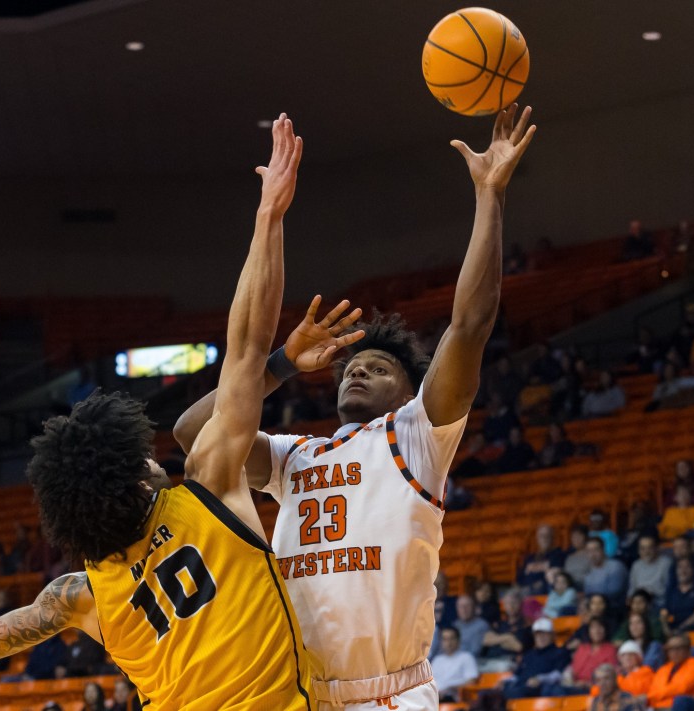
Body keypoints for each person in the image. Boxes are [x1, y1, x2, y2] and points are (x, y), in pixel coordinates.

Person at [0, 115, 316, 710]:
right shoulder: (208, 490)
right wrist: (268, 216)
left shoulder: (79, 594)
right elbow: (244, 348)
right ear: (134, 473)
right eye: (143, 452)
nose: (153, 453)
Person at [174, 105, 538, 710]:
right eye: (350, 368)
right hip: (301, 697)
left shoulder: (417, 434)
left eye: (378, 367)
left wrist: (490, 195)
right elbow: (193, 431)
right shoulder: (297, 457)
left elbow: (471, 323)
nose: (358, 370)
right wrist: (281, 364)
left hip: (392, 695)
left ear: (408, 389)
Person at [502, 617, 571, 699]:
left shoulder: (560, 652)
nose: (541, 637)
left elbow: (559, 674)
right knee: (488, 694)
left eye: (544, 634)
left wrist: (540, 679)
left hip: (540, 689)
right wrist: (504, 681)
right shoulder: (528, 655)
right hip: (521, 686)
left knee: (513, 693)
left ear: (552, 635)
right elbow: (516, 675)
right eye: (538, 634)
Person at [640, 635, 694, 709]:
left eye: (679, 648)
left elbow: (681, 688)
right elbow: (654, 690)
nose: (674, 652)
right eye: (671, 649)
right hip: (656, 707)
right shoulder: (663, 669)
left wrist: (650, 696)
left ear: (688, 650)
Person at [662, 558, 694, 635]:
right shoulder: (671, 591)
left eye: (687, 567)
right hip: (673, 631)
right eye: (680, 567)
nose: (683, 571)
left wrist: (680, 629)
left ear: (693, 570)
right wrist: (667, 631)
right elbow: (664, 614)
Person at [566, 618, 618, 693]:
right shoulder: (582, 648)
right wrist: (574, 683)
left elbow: (609, 675)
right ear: (589, 631)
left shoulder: (610, 649)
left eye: (600, 627)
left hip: (597, 688)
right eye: (593, 627)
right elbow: (574, 671)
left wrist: (588, 684)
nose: (597, 631)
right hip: (576, 686)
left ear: (605, 630)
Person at [430, 627, 478, 703]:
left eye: (452, 638)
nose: (449, 642)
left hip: (455, 697)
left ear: (458, 640)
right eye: (445, 639)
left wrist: (451, 689)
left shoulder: (467, 657)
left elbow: (471, 682)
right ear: (441, 642)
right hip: (435, 697)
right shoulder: (437, 660)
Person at [518, 524, 566, 595]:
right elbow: (520, 577)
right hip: (525, 588)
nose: (544, 539)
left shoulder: (558, 555)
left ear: (552, 538)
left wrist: (541, 582)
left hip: (543, 589)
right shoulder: (530, 558)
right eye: (541, 536)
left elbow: (556, 576)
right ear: (537, 538)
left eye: (547, 536)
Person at [629, 536, 672, 607]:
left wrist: (651, 593)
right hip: (639, 604)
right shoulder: (636, 565)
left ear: (656, 548)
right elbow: (632, 589)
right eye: (642, 549)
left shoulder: (666, 563)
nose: (646, 552)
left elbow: (670, 590)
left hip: (659, 604)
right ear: (638, 551)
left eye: (650, 548)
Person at [584, 537, 629, 601]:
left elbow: (614, 593)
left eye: (595, 550)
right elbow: (587, 593)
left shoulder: (615, 567)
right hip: (594, 607)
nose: (592, 555)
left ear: (603, 550)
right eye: (589, 551)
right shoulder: (589, 571)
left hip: (614, 607)